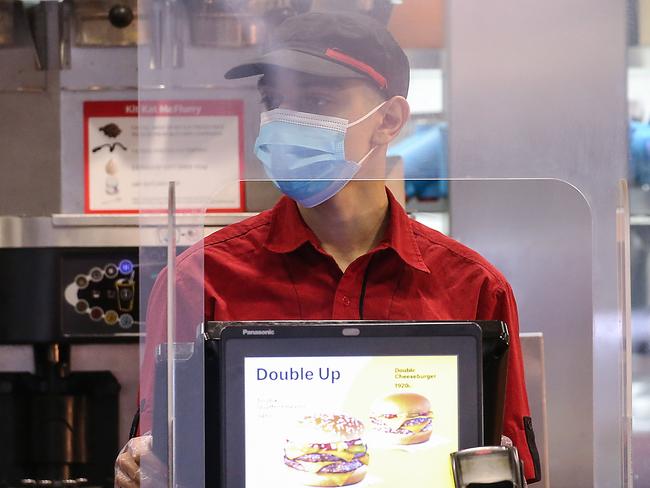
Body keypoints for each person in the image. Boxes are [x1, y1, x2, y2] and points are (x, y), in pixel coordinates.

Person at [115, 11, 540, 487]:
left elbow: (504, 471)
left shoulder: (473, 286)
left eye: (316, 99)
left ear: (389, 120)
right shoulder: (201, 278)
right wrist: (141, 467)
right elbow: (163, 465)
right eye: (274, 100)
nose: (283, 120)